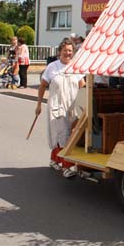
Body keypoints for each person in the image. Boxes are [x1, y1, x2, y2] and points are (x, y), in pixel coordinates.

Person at [36, 38, 86, 178]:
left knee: (70, 135)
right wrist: (39, 104)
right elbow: (42, 86)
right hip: (57, 106)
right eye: (65, 50)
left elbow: (82, 86)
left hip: (73, 107)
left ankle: (54, 159)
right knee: (63, 135)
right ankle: (67, 166)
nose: (67, 53)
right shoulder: (52, 67)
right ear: (60, 52)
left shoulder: (76, 67)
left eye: (70, 50)